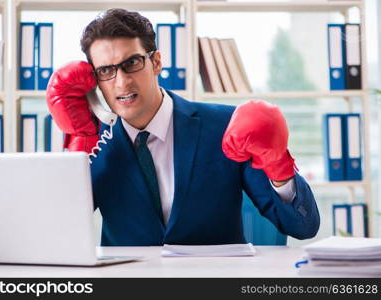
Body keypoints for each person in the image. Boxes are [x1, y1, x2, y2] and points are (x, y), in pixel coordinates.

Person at [46, 8, 320, 246]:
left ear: (155, 62)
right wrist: (81, 143)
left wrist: (279, 166)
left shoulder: (226, 125)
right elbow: (58, 232)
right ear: (94, 80)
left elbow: (302, 227)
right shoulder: (93, 142)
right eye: (106, 70)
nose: (122, 82)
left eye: (131, 63)